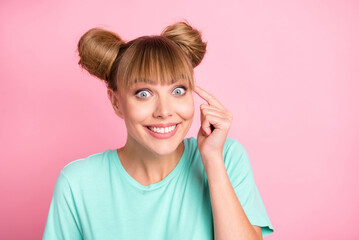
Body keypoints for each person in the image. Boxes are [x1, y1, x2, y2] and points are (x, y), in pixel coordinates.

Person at [43, 20, 274, 240]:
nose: (164, 111)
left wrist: (212, 160)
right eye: (144, 93)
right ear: (115, 102)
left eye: (178, 91)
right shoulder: (77, 184)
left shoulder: (226, 157)